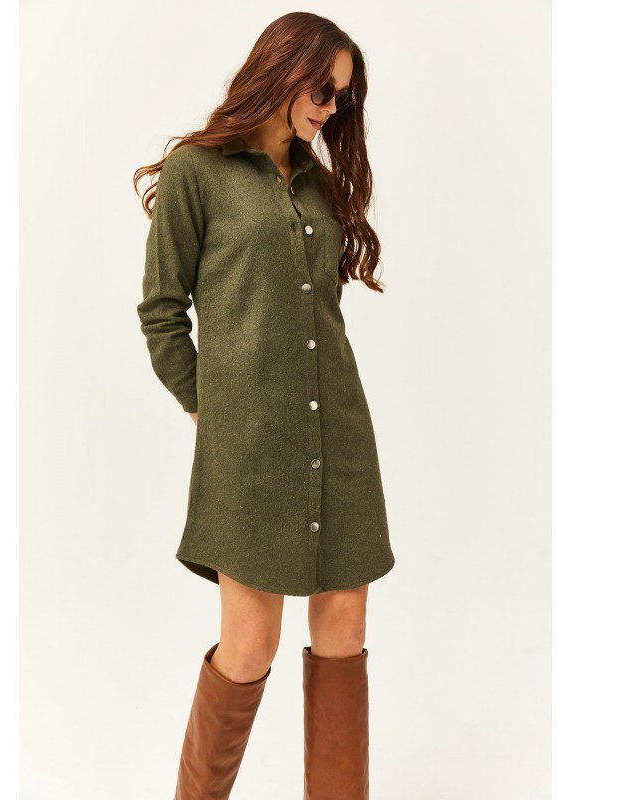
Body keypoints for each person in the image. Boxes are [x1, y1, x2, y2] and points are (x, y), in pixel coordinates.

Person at [133, 12, 396, 799]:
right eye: (322, 90)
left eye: (343, 98)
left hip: (339, 436)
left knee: (345, 632)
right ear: (281, 70)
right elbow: (162, 312)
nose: (331, 108)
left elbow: (318, 317)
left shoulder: (318, 184)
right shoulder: (198, 173)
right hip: (248, 450)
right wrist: (208, 410)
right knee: (249, 647)